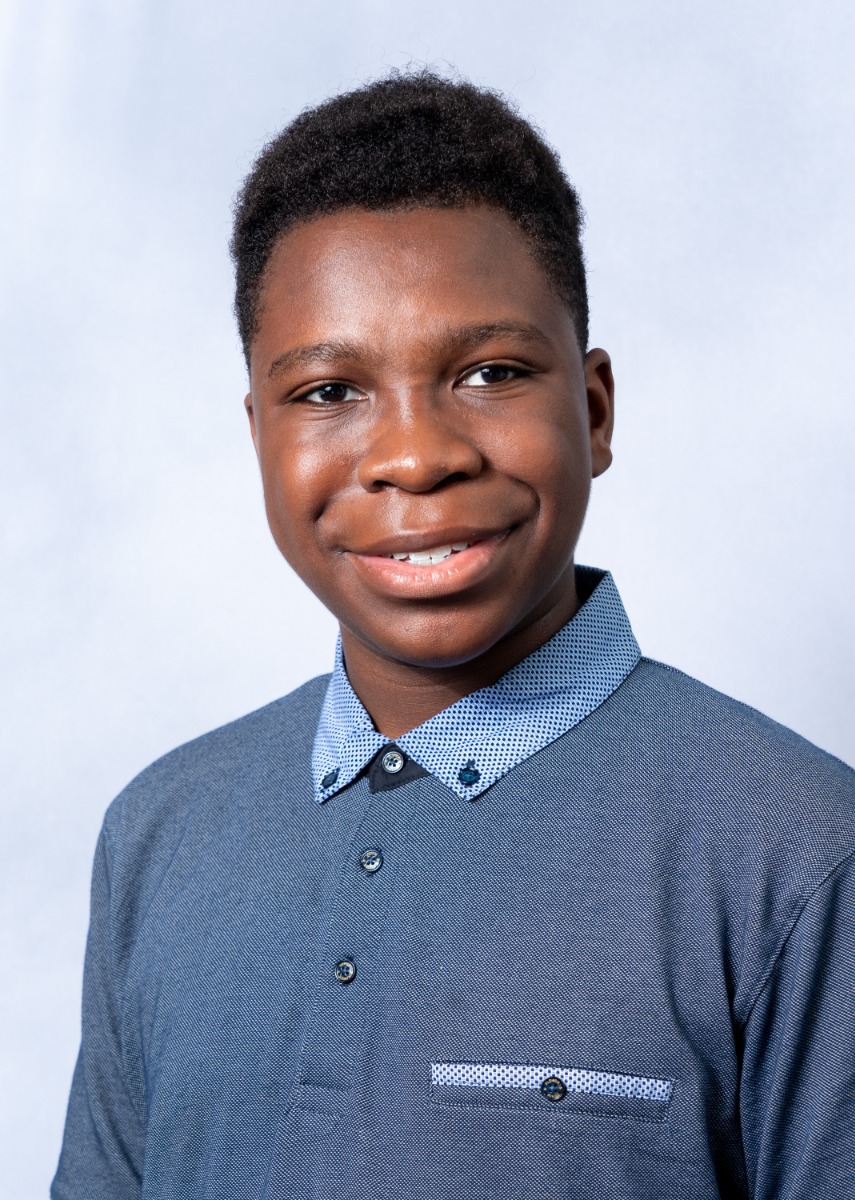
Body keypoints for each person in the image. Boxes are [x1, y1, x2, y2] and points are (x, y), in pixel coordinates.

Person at [52, 72, 855, 1200]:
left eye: (490, 373)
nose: (416, 456)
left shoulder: (801, 850)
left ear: (594, 411)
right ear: (258, 435)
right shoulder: (157, 834)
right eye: (328, 392)